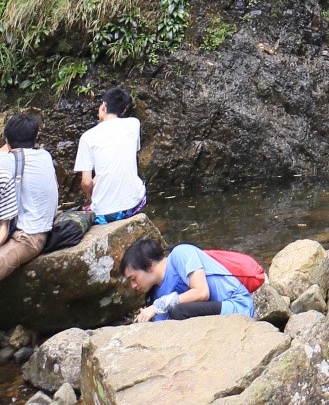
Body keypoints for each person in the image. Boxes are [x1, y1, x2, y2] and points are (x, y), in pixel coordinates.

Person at [120, 237, 254, 319]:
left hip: (237, 307)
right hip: (213, 316)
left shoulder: (181, 254)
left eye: (134, 278)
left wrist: (159, 306)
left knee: (179, 311)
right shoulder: (155, 294)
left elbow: (202, 292)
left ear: (149, 265)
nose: (133, 286)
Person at [0, 113, 59, 283]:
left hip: (27, 238)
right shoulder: (44, 155)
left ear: (7, 139)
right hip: (39, 230)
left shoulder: (8, 161)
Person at [75, 87, 147, 224]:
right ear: (124, 111)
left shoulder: (87, 137)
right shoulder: (133, 124)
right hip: (134, 204)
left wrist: (92, 198)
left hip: (104, 214)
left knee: (91, 203)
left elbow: (85, 182)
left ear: (103, 106)